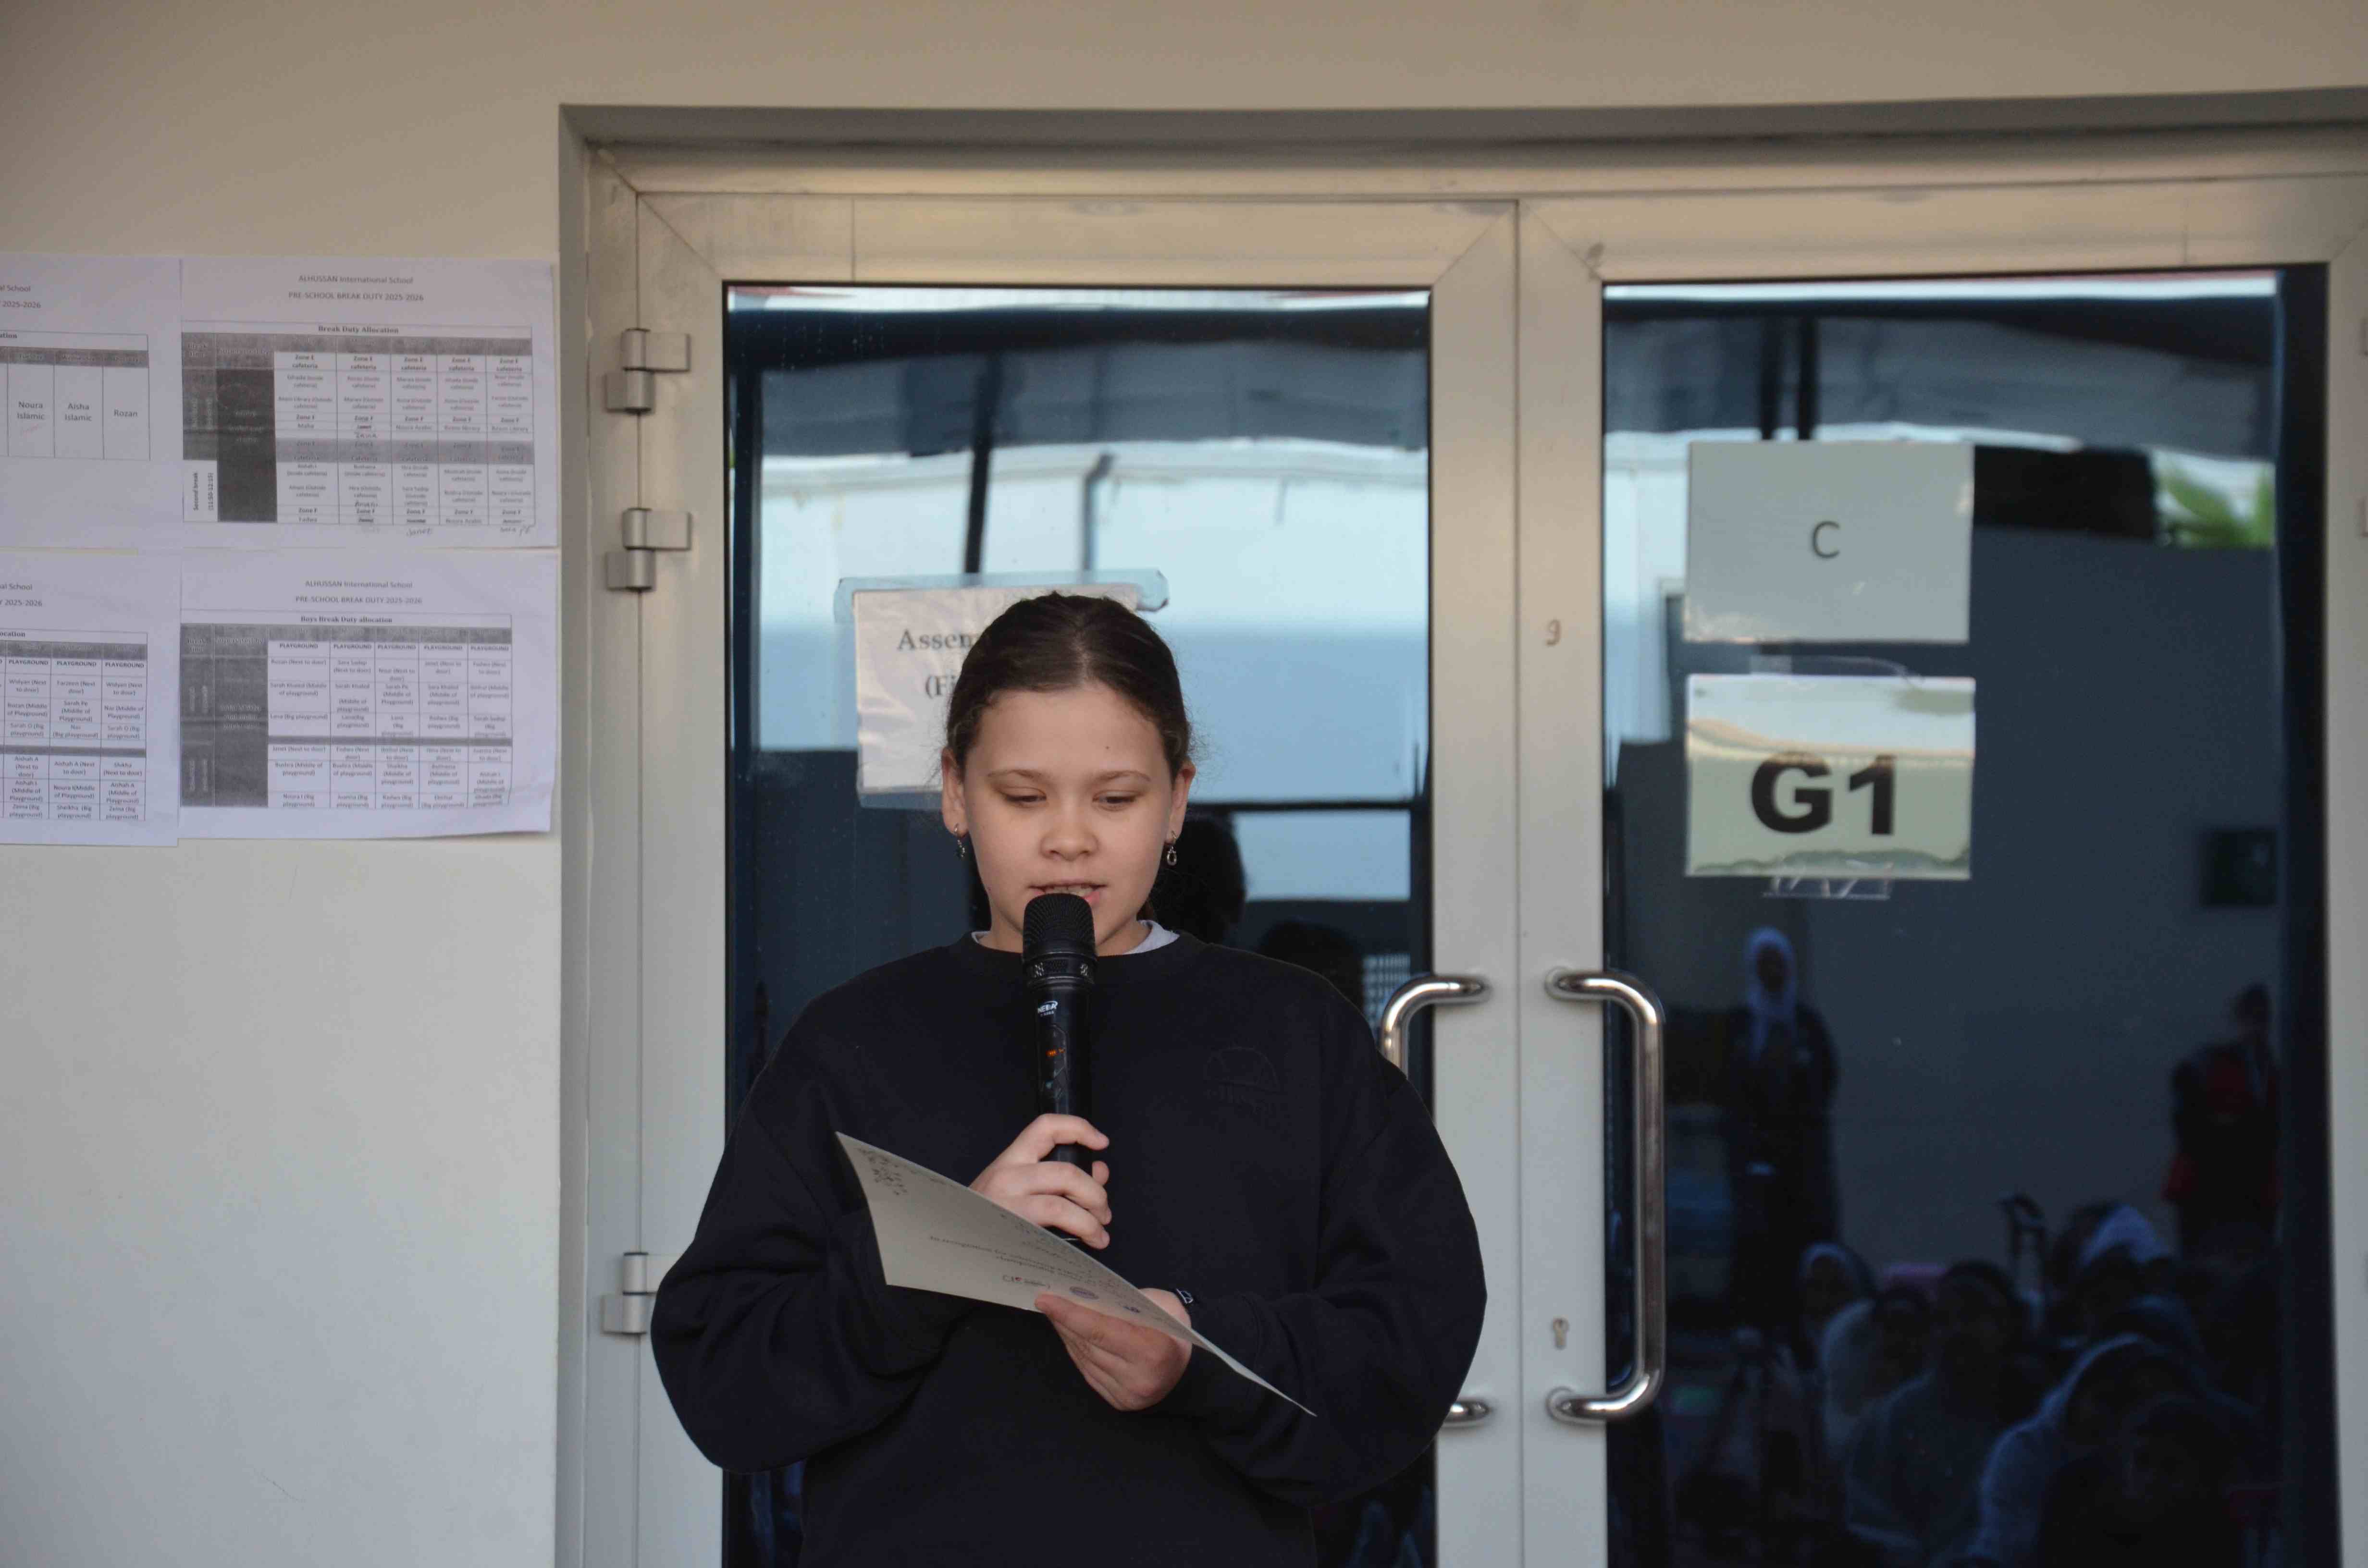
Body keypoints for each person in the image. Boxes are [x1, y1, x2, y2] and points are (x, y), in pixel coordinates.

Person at [649, 593, 1485, 1567]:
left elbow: (1408, 1339)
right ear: (954, 793)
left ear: (1177, 800)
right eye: (1022, 796)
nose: (1069, 838)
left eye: (1116, 798)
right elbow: (723, 1380)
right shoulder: (853, 1041)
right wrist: (931, 1249)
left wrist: (1202, 1355)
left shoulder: (1294, 1033)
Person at [1842, 1262, 2034, 1567]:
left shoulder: (2033, 1409)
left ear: (2006, 1324)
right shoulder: (1896, 1416)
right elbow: (1869, 1512)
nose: (1957, 1331)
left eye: (1971, 1316)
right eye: (1943, 1320)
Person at [1958, 1335, 2191, 1568]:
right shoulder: (2026, 1449)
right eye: (2105, 1400)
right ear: (2078, 1391)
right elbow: (2007, 1543)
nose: (2112, 1416)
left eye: (2131, 1405)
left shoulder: (2142, 1466)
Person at [1720, 927, 1841, 1331]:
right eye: (1764, 964)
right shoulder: (1741, 1025)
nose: (1773, 972)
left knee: (1803, 1238)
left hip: (1802, 1161)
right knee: (1757, 1244)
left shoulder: (1807, 1024)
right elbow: (1730, 1088)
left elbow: (1827, 1079)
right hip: (1755, 1159)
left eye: (1779, 963)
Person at [2035, 1394, 2239, 1568]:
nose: (2152, 1479)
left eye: (2171, 1468)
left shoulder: (2213, 1533)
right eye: (2143, 1461)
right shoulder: (2074, 1498)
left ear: (2203, 1482)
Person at [2163, 984, 2279, 1257]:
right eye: (2250, 1017)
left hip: (2251, 1187)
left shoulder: (2270, 1069)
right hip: (2208, 1185)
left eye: (2262, 1018)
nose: (2257, 1027)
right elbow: (2191, 1128)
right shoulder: (2207, 1065)